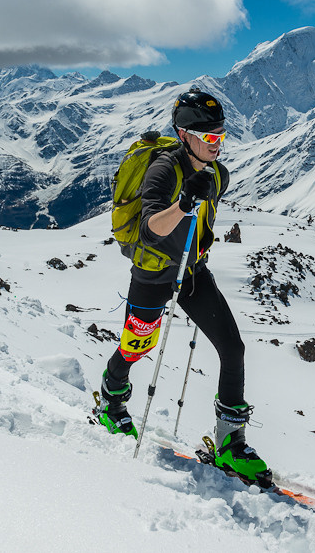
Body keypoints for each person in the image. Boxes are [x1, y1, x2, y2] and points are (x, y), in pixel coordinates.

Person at [95, 87, 269, 482]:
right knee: (137, 346)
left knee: (233, 348)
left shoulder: (216, 175)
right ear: (183, 135)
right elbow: (150, 228)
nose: (216, 145)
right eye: (208, 137)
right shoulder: (164, 170)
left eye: (221, 136)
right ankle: (112, 398)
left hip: (192, 273)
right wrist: (184, 203)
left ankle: (230, 444)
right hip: (154, 272)